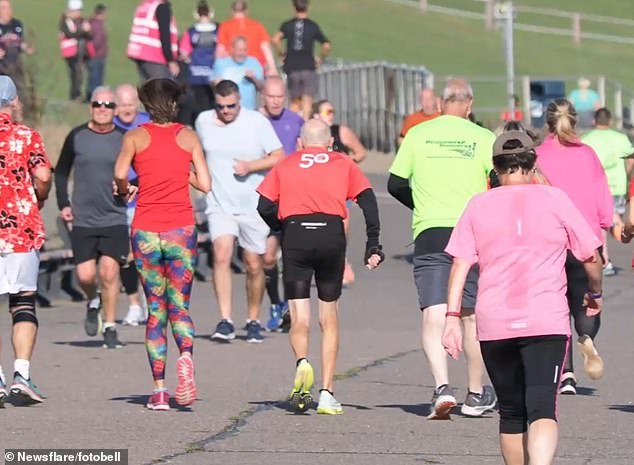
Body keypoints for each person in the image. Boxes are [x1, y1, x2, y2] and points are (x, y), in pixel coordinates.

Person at [442, 130, 603, 465]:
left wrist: (452, 318)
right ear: (534, 162)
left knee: (512, 411)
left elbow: (460, 263)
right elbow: (591, 257)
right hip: (546, 319)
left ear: (495, 167)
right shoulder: (555, 199)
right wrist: (594, 292)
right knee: (543, 405)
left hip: (495, 322)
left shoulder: (478, 203)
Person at [257, 119, 384, 414]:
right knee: (330, 317)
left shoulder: (287, 164)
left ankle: (302, 362)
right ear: (329, 143)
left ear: (300, 143)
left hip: (296, 235)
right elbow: (368, 201)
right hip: (330, 235)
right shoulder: (342, 162)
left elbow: (263, 204)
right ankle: (327, 393)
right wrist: (372, 243)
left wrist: (282, 227)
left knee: (300, 316)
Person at [388, 78, 497, 419]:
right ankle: (476, 393)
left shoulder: (418, 134)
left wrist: (421, 204)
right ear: (469, 104)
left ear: (439, 103)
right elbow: (497, 183)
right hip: (472, 232)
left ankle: (441, 388)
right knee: (469, 315)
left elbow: (395, 183)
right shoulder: (482, 137)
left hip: (431, 230)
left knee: (434, 311)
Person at [114, 78, 211, 411]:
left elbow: (119, 173)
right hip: (180, 230)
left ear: (146, 105)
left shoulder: (135, 137)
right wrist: (181, 171)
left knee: (156, 309)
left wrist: (127, 186)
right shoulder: (188, 137)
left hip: (145, 231)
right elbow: (206, 184)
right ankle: (186, 355)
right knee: (179, 306)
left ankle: (158, 391)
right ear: (174, 103)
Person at [195, 80, 284, 343]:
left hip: (253, 206)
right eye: (221, 106)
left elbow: (278, 156)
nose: (226, 111)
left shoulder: (256, 122)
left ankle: (253, 319)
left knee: (254, 264)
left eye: (231, 106)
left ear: (239, 101)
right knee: (221, 255)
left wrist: (252, 166)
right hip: (219, 203)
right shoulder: (203, 121)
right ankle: (225, 320)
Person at [536, 99, 613, 395]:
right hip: (585, 240)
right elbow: (601, 196)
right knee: (586, 301)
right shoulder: (587, 155)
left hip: (549, 241)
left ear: (547, 122)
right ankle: (587, 337)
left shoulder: (538, 155)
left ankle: (565, 373)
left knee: (556, 309)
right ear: (575, 121)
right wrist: (605, 225)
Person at [55, 86, 128, 349]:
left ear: (115, 110)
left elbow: (139, 172)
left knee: (109, 273)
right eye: (98, 104)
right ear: (91, 107)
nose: (103, 109)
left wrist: (131, 188)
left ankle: (109, 326)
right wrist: (63, 203)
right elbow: (61, 171)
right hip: (83, 218)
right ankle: (93, 301)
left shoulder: (124, 138)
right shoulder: (77, 136)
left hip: (114, 216)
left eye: (108, 105)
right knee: (86, 276)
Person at [0, 76, 52, 406]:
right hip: (20, 230)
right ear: (14, 102)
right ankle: (21, 374)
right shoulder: (26, 136)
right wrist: (39, 197)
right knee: (22, 303)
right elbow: (44, 176)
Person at [259, 76, 304, 331]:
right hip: (263, 198)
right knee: (266, 258)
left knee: (289, 256)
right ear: (263, 96)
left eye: (280, 97)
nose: (275, 101)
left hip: (290, 198)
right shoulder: (254, 121)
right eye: (271, 96)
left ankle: (289, 305)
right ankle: (275, 302)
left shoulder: (296, 122)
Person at [313, 98, 367, 285]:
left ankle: (340, 261)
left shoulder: (341, 131)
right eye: (327, 112)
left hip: (339, 189)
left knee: (341, 226)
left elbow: (360, 152)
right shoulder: (309, 134)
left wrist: (344, 161)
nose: (331, 116)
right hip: (316, 189)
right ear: (315, 115)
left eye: (332, 112)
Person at [114, 84, 151, 326]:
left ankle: (151, 301)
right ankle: (134, 304)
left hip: (145, 199)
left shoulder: (148, 124)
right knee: (125, 255)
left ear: (137, 104)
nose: (127, 109)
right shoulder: (109, 126)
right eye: (122, 104)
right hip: (118, 202)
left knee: (145, 255)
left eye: (130, 104)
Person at [581, 107, 634, 275]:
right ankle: (615, 242)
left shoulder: (586, 139)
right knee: (611, 219)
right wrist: (626, 177)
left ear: (594, 121)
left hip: (597, 187)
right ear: (610, 121)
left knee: (600, 224)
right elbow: (629, 162)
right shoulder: (621, 138)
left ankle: (605, 258)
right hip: (618, 185)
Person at [273, 0, 330, 121]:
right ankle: (305, 125)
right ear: (308, 7)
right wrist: (321, 58)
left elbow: (276, 39)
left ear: (294, 8)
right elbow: (326, 45)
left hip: (292, 66)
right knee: (307, 100)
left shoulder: (288, 25)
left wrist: (281, 54)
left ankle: (294, 125)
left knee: (294, 101)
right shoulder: (312, 26)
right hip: (308, 66)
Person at [216, 0, 277, 76]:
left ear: (231, 11)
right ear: (246, 11)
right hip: (256, 68)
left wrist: (218, 69)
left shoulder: (225, 26)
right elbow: (266, 47)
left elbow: (220, 50)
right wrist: (272, 67)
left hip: (233, 68)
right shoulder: (257, 26)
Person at [179, 0, 218, 117]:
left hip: (196, 74)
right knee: (214, 103)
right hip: (214, 74)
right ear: (211, 13)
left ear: (196, 14)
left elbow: (184, 53)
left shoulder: (191, 31)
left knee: (199, 105)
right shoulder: (218, 29)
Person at [127, 0, 179, 81]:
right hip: (156, 58)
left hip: (141, 56)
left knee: (148, 91)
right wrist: (170, 60)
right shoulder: (162, 7)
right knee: (162, 91)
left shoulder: (145, 6)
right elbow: (164, 34)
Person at [211, 36, 263, 111]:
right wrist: (215, 84)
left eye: (244, 50)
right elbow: (212, 84)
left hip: (248, 110)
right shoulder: (221, 64)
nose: (242, 53)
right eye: (239, 50)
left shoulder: (254, 63)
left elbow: (262, 88)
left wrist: (254, 79)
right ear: (232, 49)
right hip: (226, 110)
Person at [58, 0, 92, 101]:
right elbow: (70, 34)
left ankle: (78, 94)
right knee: (75, 73)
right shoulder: (65, 21)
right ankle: (74, 94)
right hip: (70, 52)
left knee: (79, 74)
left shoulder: (80, 21)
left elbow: (87, 34)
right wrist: (83, 31)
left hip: (79, 51)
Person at [0, 0, 33, 100]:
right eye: (4, 8)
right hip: (2, 66)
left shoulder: (17, 24)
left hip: (16, 66)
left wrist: (26, 48)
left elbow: (19, 42)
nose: (8, 11)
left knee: (18, 94)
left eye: (9, 8)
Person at [86, 4, 107, 103]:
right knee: (96, 78)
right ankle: (94, 98)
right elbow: (97, 41)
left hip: (93, 55)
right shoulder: (97, 25)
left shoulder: (91, 23)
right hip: (97, 56)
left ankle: (91, 97)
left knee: (93, 77)